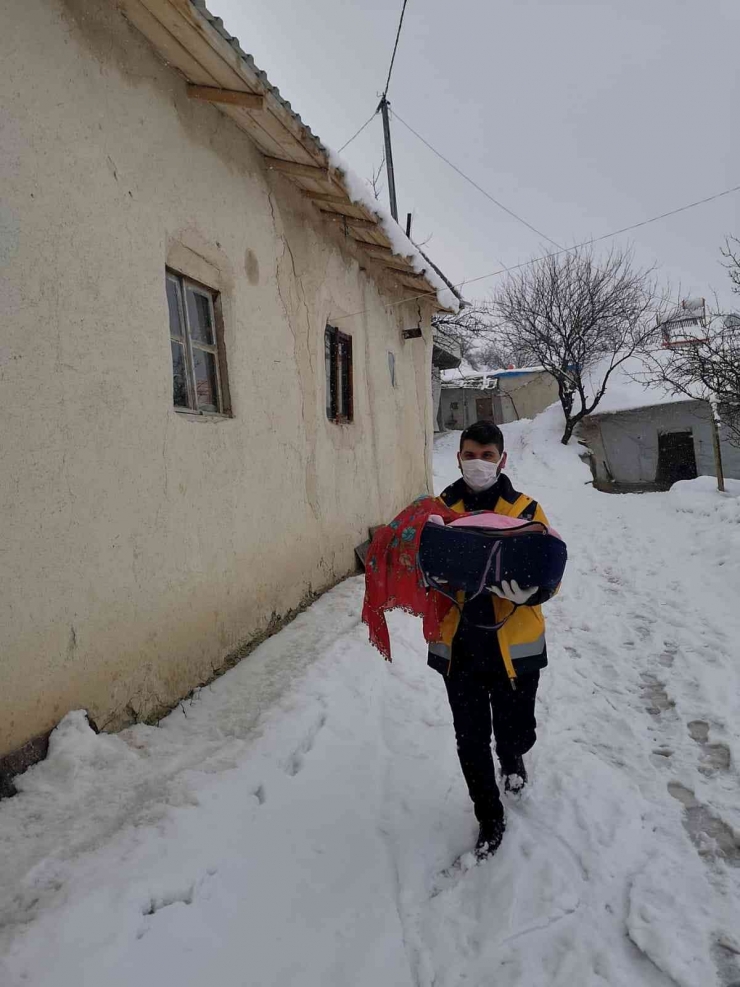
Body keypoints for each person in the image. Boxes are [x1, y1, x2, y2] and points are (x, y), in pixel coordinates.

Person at [429, 419, 557, 860]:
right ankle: (489, 815)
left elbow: (550, 572)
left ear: (502, 459)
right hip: (459, 649)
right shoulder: (439, 510)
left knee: (515, 731)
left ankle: (514, 755)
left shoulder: (525, 509)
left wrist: (534, 591)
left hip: (514, 650)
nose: (478, 463)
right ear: (458, 456)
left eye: (487, 456)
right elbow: (419, 565)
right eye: (470, 454)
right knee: (470, 738)